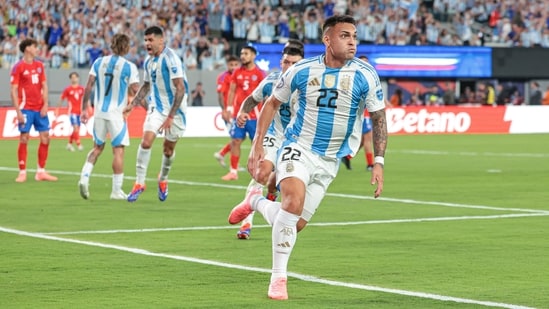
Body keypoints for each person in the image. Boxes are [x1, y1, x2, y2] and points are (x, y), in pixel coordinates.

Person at [228, 15, 387, 300]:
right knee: (292, 204)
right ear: (328, 39)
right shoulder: (301, 70)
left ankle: (254, 201)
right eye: (345, 36)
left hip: (330, 160)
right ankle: (278, 278)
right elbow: (271, 103)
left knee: (294, 223)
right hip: (298, 146)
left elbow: (378, 117)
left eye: (354, 36)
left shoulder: (365, 74)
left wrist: (378, 161)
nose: (352, 41)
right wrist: (258, 145)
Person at [233, 42, 305, 240]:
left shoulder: (308, 84)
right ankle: (246, 223)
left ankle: (271, 196)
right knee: (261, 173)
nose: (288, 67)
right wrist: (242, 111)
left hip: (296, 140)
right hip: (274, 135)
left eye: (293, 63)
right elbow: (252, 98)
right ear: (281, 62)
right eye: (285, 62)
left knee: (278, 184)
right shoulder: (271, 81)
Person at [124, 26, 189, 202]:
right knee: (146, 142)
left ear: (161, 40)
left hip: (176, 110)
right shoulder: (148, 61)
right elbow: (146, 85)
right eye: (145, 40)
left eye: (150, 40)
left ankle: (163, 178)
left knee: (168, 150)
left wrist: (170, 117)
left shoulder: (171, 59)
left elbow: (181, 89)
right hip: (157, 107)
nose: (147, 44)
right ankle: (139, 182)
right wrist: (132, 104)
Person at [77, 33, 140, 200]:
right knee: (118, 150)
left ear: (112, 45)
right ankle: (116, 191)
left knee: (97, 148)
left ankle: (84, 177)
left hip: (99, 112)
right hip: (116, 115)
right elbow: (136, 91)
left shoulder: (99, 62)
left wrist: (84, 108)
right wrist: (149, 108)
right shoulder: (129, 67)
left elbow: (89, 85)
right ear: (126, 47)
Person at [10, 38, 57, 183]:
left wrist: (45, 104)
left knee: (45, 137)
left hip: (39, 108)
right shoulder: (18, 67)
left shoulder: (40, 65)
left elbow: (44, 86)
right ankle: (22, 172)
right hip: (25, 108)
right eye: (35, 46)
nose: (37, 49)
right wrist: (18, 112)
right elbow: (13, 90)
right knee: (24, 138)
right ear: (27, 49)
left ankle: (41, 172)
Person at [221, 44, 266, 181]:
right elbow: (232, 91)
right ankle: (233, 172)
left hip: (255, 115)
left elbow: (265, 94)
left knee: (257, 143)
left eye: (246, 54)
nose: (243, 56)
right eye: (242, 54)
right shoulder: (237, 72)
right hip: (238, 114)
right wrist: (229, 109)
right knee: (235, 141)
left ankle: (260, 170)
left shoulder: (259, 73)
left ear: (253, 56)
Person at [341, 54, 375, 171]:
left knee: (361, 141)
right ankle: (370, 164)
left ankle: (347, 156)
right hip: (361, 114)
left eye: (367, 62)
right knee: (368, 139)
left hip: (364, 113)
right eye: (363, 62)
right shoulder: (354, 78)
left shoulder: (369, 77)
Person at [214, 55, 241, 168]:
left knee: (239, 137)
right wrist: (224, 110)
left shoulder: (240, 75)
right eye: (231, 65)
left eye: (236, 64)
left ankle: (222, 154)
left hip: (239, 111)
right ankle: (233, 165)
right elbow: (220, 95)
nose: (234, 67)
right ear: (227, 65)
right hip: (230, 112)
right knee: (236, 138)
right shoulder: (223, 77)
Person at [57, 72, 85, 152]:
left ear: (78, 78)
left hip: (80, 112)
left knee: (76, 129)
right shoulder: (68, 89)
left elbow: (86, 99)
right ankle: (79, 144)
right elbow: (61, 98)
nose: (74, 79)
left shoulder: (81, 89)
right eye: (72, 77)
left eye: (75, 77)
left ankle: (69, 144)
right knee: (75, 127)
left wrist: (88, 107)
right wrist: (57, 108)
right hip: (72, 112)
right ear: (70, 79)